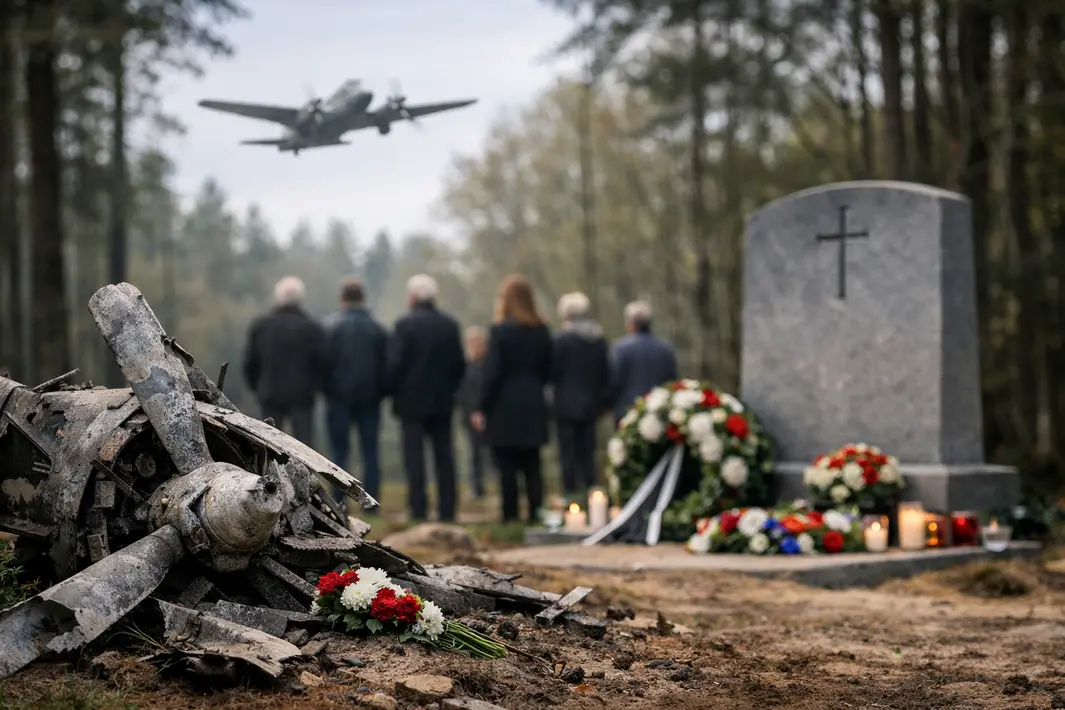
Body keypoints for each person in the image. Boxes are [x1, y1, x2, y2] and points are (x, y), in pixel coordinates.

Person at [472, 275, 552, 523]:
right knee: (532, 464)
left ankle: (510, 516)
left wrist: (481, 406)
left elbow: (492, 372)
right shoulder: (542, 331)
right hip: (534, 401)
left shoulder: (501, 331)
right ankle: (536, 512)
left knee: (506, 465)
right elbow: (548, 369)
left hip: (505, 405)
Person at [388, 274, 466, 522]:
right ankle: (447, 509)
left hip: (411, 403)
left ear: (412, 297)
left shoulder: (404, 325)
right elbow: (459, 365)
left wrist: (393, 391)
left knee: (415, 458)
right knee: (445, 456)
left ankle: (418, 508)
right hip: (442, 401)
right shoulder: (449, 325)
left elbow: (395, 365)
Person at [322, 277, 388, 503]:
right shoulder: (378, 329)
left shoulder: (330, 327)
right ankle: (372, 502)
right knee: (370, 452)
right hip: (370, 399)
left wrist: (328, 390)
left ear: (342, 299)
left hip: (338, 398)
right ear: (363, 298)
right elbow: (387, 365)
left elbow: (323, 364)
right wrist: (381, 392)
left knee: (339, 453)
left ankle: (339, 502)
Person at [242, 276, 326, 445]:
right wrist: (315, 388)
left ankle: (267, 473)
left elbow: (250, 363)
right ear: (301, 298)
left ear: (278, 297)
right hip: (302, 395)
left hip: (270, 393)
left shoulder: (262, 326)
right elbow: (322, 364)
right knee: (305, 450)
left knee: (268, 445)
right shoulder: (312, 328)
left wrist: (257, 387)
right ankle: (304, 472)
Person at [551, 292, 611, 495]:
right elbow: (604, 374)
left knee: (567, 455)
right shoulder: (598, 341)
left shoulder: (560, 341)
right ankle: (591, 496)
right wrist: (604, 402)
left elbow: (552, 373)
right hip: (591, 406)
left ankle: (570, 497)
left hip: (565, 406)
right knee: (588, 454)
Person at [610, 300, 679, 422]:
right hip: (659, 412)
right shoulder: (665, 349)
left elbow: (614, 380)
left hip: (628, 413)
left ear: (631, 323)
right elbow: (673, 381)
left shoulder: (621, 348)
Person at [457, 326, 488, 500]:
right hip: (471, 415)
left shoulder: (489, 364)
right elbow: (462, 392)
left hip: (489, 413)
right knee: (474, 452)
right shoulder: (465, 365)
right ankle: (476, 485)